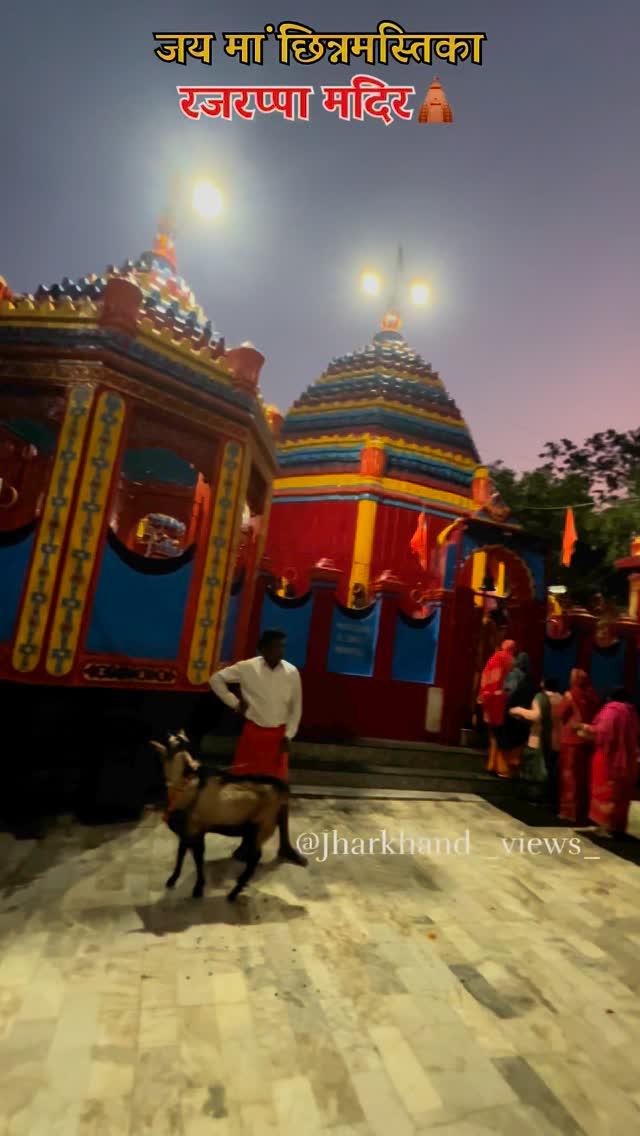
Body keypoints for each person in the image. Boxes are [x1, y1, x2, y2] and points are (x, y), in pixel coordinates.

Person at [209, 629, 307, 865]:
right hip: (253, 735)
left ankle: (284, 845)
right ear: (262, 649)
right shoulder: (246, 667)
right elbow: (216, 680)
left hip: (277, 739)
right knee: (248, 792)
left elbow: (296, 709)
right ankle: (247, 845)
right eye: (275, 647)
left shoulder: (292, 672)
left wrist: (289, 735)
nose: (280, 651)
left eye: (282, 647)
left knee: (281, 792)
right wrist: (234, 703)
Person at [579, 688, 639, 837]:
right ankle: (618, 826)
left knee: (606, 791)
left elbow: (603, 733)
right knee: (621, 794)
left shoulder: (610, 711)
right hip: (628, 759)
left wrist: (585, 728)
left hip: (608, 758)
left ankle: (605, 826)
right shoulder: (631, 713)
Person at [511, 676, 564, 803]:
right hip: (556, 739)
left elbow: (536, 716)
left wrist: (518, 710)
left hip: (538, 737)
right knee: (551, 768)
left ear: (543, 684)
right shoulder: (560, 698)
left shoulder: (540, 697)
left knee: (534, 769)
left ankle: (534, 797)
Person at [558, 669, 599, 824]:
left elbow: (560, 713)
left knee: (570, 777)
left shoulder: (570, 695)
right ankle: (583, 813)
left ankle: (569, 812)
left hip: (571, 740)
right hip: (588, 740)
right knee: (584, 777)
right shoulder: (593, 696)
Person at [492, 653, 536, 778]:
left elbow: (508, 693)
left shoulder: (513, 675)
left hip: (511, 712)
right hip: (524, 715)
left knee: (505, 739)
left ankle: (503, 769)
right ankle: (513, 770)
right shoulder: (530, 679)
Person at [480, 639, 517, 774]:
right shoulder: (511, 661)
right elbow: (510, 684)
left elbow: (485, 676)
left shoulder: (493, 658)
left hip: (488, 698)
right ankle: (498, 765)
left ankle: (490, 763)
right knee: (500, 734)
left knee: (492, 733)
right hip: (501, 700)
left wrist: (484, 693)